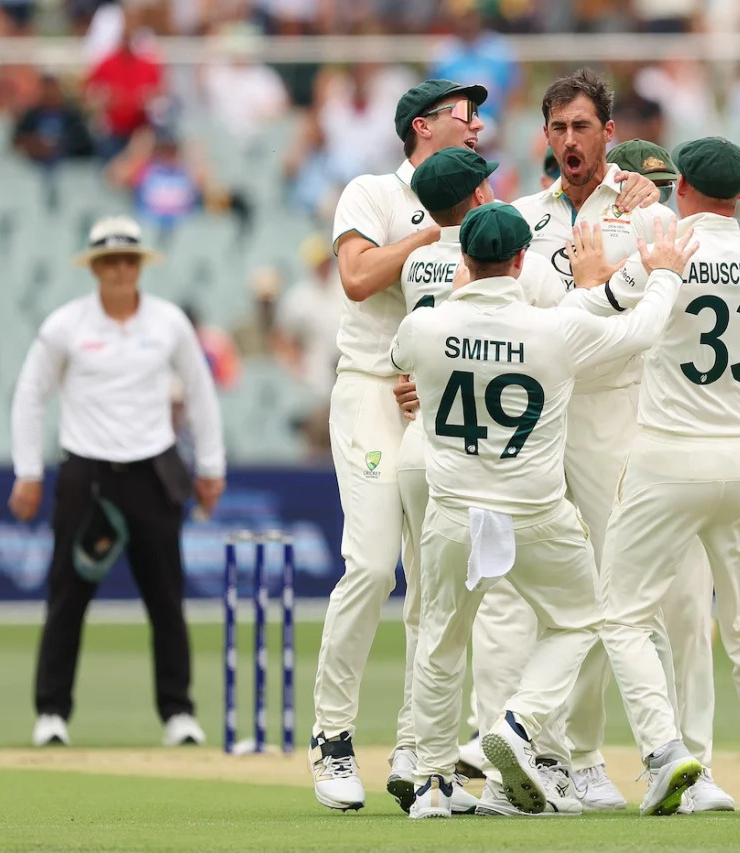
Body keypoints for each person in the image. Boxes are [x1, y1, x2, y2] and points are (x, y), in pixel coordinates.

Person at [390, 202, 694, 818]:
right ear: (522, 260)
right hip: (534, 512)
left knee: (441, 643)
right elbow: (639, 333)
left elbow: (401, 361)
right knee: (581, 619)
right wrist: (662, 274)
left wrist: (450, 303)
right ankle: (520, 723)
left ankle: (429, 783)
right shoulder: (552, 328)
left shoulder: (426, 325)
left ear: (465, 262)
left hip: (452, 511)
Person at [468, 67, 666, 812]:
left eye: (583, 127)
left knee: (614, 592)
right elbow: (511, 324)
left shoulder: (645, 213)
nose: (570, 141)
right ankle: (534, 757)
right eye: (558, 129)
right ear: (543, 134)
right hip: (539, 425)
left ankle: (591, 760)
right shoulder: (523, 218)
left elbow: (639, 334)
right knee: (520, 595)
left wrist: (583, 318)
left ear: (609, 133)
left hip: (613, 419)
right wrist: (592, 310)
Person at [589, 137, 740, 815]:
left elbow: (606, 303)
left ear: (681, 186)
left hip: (670, 452)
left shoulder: (671, 246)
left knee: (620, 613)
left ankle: (665, 752)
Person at [312, 77, 488, 814]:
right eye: (463, 114)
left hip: (439, 406)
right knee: (372, 562)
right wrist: (423, 235)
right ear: (423, 126)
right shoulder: (372, 192)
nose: (476, 126)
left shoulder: (482, 204)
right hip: (369, 394)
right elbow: (355, 279)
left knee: (438, 581)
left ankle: (422, 750)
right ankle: (332, 737)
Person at [9, 215, 225, 750]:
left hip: (153, 469)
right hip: (87, 471)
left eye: (129, 259)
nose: (121, 269)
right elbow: (30, 395)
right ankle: (52, 712)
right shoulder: (66, 325)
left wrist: (211, 468)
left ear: (140, 265)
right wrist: (28, 472)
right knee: (68, 594)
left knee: (165, 597)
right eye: (110, 261)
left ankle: (178, 713)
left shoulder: (169, 322)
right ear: (96, 267)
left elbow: (200, 394)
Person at [392, 146, 563, 816]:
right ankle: (499, 744)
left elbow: (400, 353)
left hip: (424, 442)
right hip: (489, 458)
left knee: (429, 618)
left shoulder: (412, 259)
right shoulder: (506, 262)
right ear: (478, 194)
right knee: (497, 611)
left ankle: (422, 766)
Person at [599, 136, 732, 812]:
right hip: (609, 445)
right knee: (613, 616)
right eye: (642, 182)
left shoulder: (688, 245)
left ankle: (694, 763)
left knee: (685, 614)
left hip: (668, 448)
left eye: (663, 185)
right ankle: (598, 757)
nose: (652, 194)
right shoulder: (604, 232)